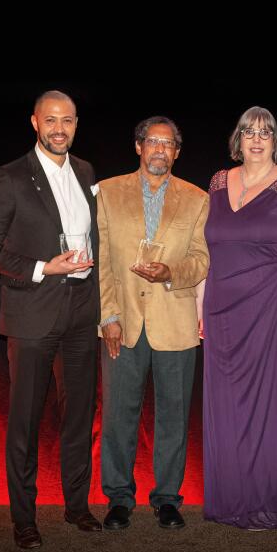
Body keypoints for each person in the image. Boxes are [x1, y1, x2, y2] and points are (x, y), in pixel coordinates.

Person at [0, 90, 102, 549]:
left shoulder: (86, 172)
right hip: (31, 315)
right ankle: (23, 519)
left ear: (76, 123)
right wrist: (44, 267)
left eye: (67, 120)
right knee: (25, 423)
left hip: (83, 314)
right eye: (51, 120)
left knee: (80, 417)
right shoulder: (9, 178)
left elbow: (94, 243)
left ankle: (77, 508)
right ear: (34, 123)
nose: (59, 128)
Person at [202, 106, 277, 530]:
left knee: (273, 410)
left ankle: (270, 502)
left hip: (273, 312)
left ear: (275, 140)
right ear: (238, 138)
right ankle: (233, 500)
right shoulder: (217, 181)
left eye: (265, 132)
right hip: (222, 315)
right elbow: (207, 251)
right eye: (248, 131)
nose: (256, 139)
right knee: (229, 410)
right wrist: (200, 307)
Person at [97, 116, 209, 531]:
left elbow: (201, 259)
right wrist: (108, 316)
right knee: (118, 416)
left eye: (169, 144)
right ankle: (118, 499)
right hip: (122, 321)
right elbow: (103, 261)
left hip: (175, 322)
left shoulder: (198, 198)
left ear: (177, 152)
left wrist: (171, 273)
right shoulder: (107, 193)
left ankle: (167, 499)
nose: (160, 150)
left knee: (174, 417)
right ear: (139, 146)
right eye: (152, 142)